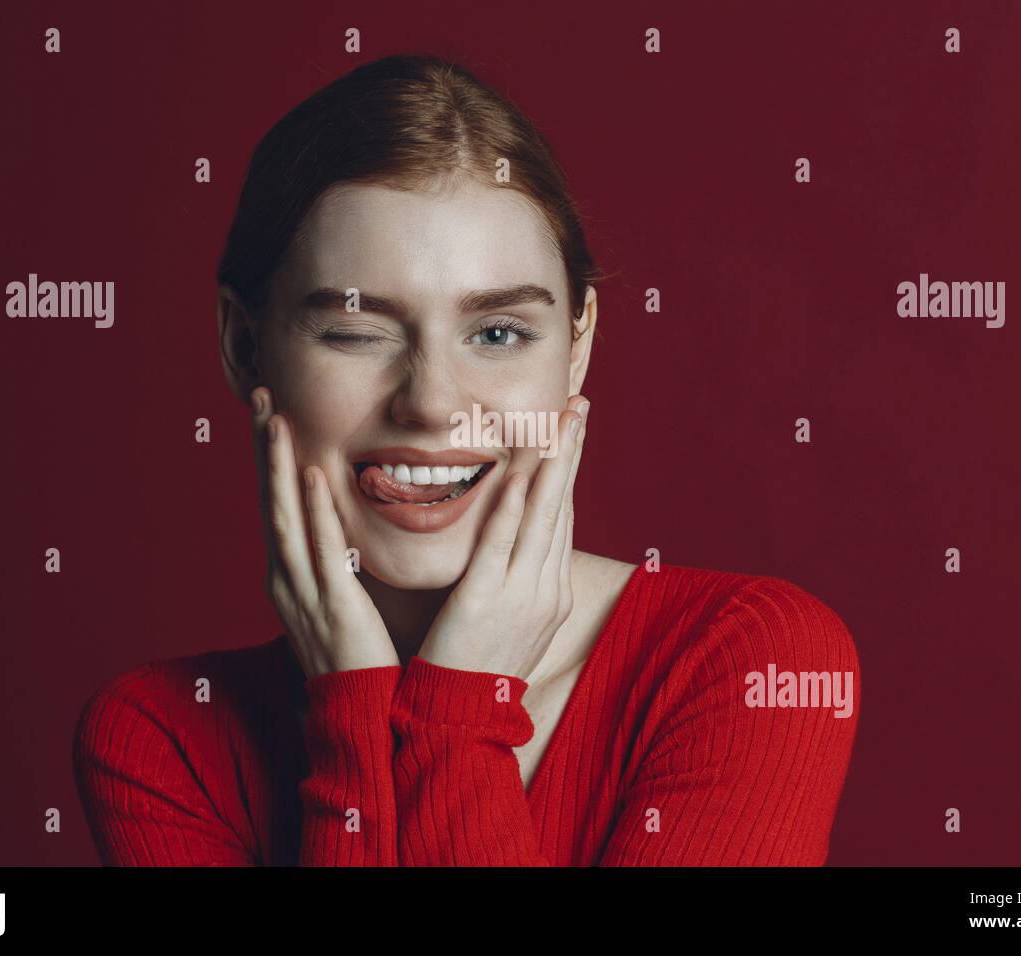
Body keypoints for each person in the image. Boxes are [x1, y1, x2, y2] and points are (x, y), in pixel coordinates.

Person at [72, 53, 860, 866]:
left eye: (498, 333)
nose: (434, 404)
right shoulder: (159, 741)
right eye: (355, 331)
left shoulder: (750, 660)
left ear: (578, 346)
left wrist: (455, 717)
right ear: (245, 346)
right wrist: (360, 720)